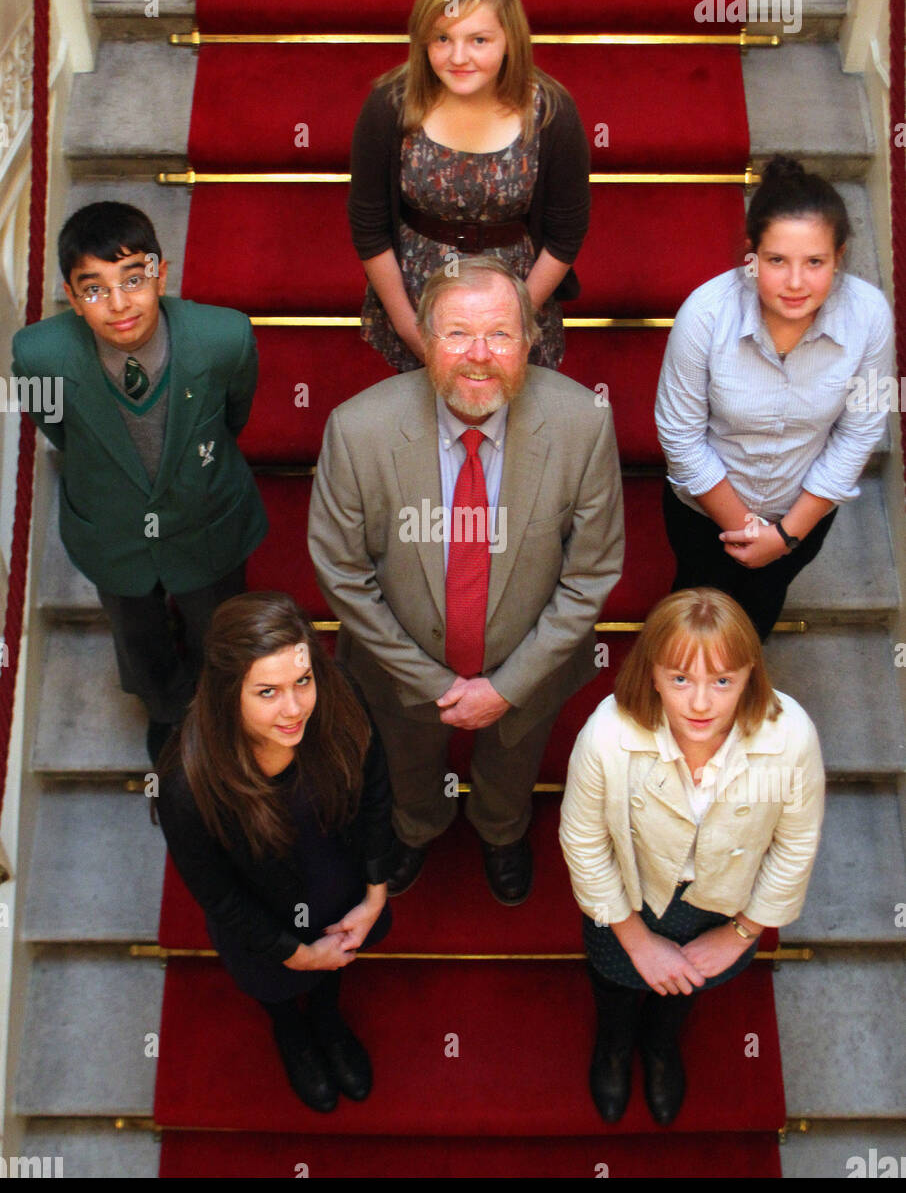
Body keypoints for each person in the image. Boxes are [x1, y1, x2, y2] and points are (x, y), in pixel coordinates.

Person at [308, 256, 624, 906]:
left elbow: (590, 574)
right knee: (408, 760)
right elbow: (342, 573)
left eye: (500, 335)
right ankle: (417, 824)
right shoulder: (356, 430)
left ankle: (501, 829)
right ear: (423, 339)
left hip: (528, 666)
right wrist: (436, 684)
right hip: (402, 669)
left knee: (513, 762)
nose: (479, 357)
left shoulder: (583, 424)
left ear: (530, 339)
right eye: (456, 334)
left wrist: (505, 688)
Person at [12, 201, 268, 761]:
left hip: (206, 519)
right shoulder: (35, 356)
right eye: (96, 288)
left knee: (218, 628)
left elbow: (232, 419)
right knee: (137, 637)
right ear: (73, 298)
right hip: (111, 530)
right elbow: (58, 429)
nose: (120, 303)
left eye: (133, 279)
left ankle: (216, 710)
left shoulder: (225, 337)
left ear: (161, 274)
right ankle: (168, 710)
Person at [559, 588, 824, 1126]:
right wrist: (635, 938)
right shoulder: (606, 734)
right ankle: (613, 1044)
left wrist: (741, 932)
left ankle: (659, 1044)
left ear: (750, 675)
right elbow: (583, 842)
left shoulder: (790, 734)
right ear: (652, 674)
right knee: (613, 979)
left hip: (723, 902)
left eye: (722, 680)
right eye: (680, 678)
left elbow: (796, 843)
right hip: (628, 897)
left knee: (687, 984)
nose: (700, 703)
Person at [155, 592, 394, 1113]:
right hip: (263, 927)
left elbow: (376, 793)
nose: (294, 709)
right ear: (226, 694)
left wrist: (375, 894)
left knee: (336, 970)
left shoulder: (340, 697)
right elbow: (218, 895)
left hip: (342, 895)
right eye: (267, 692)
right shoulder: (186, 784)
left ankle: (328, 1021)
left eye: (302, 681)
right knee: (280, 992)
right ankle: (292, 1033)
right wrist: (298, 954)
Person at [654, 155, 894, 640]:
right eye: (777, 260)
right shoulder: (704, 314)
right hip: (706, 514)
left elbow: (860, 431)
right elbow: (679, 435)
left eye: (815, 262)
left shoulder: (869, 315)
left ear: (839, 257)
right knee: (692, 629)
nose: (796, 283)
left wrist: (783, 538)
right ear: (751, 255)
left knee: (754, 625)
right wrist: (749, 532)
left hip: (800, 518)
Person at [347, 0, 591, 373]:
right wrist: (412, 331)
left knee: (513, 431)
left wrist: (508, 326)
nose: (458, 57)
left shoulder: (551, 112)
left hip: (517, 298)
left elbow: (566, 234)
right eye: (442, 38)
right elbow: (369, 227)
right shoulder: (390, 105)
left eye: (478, 40)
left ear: (510, 38)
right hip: (417, 299)